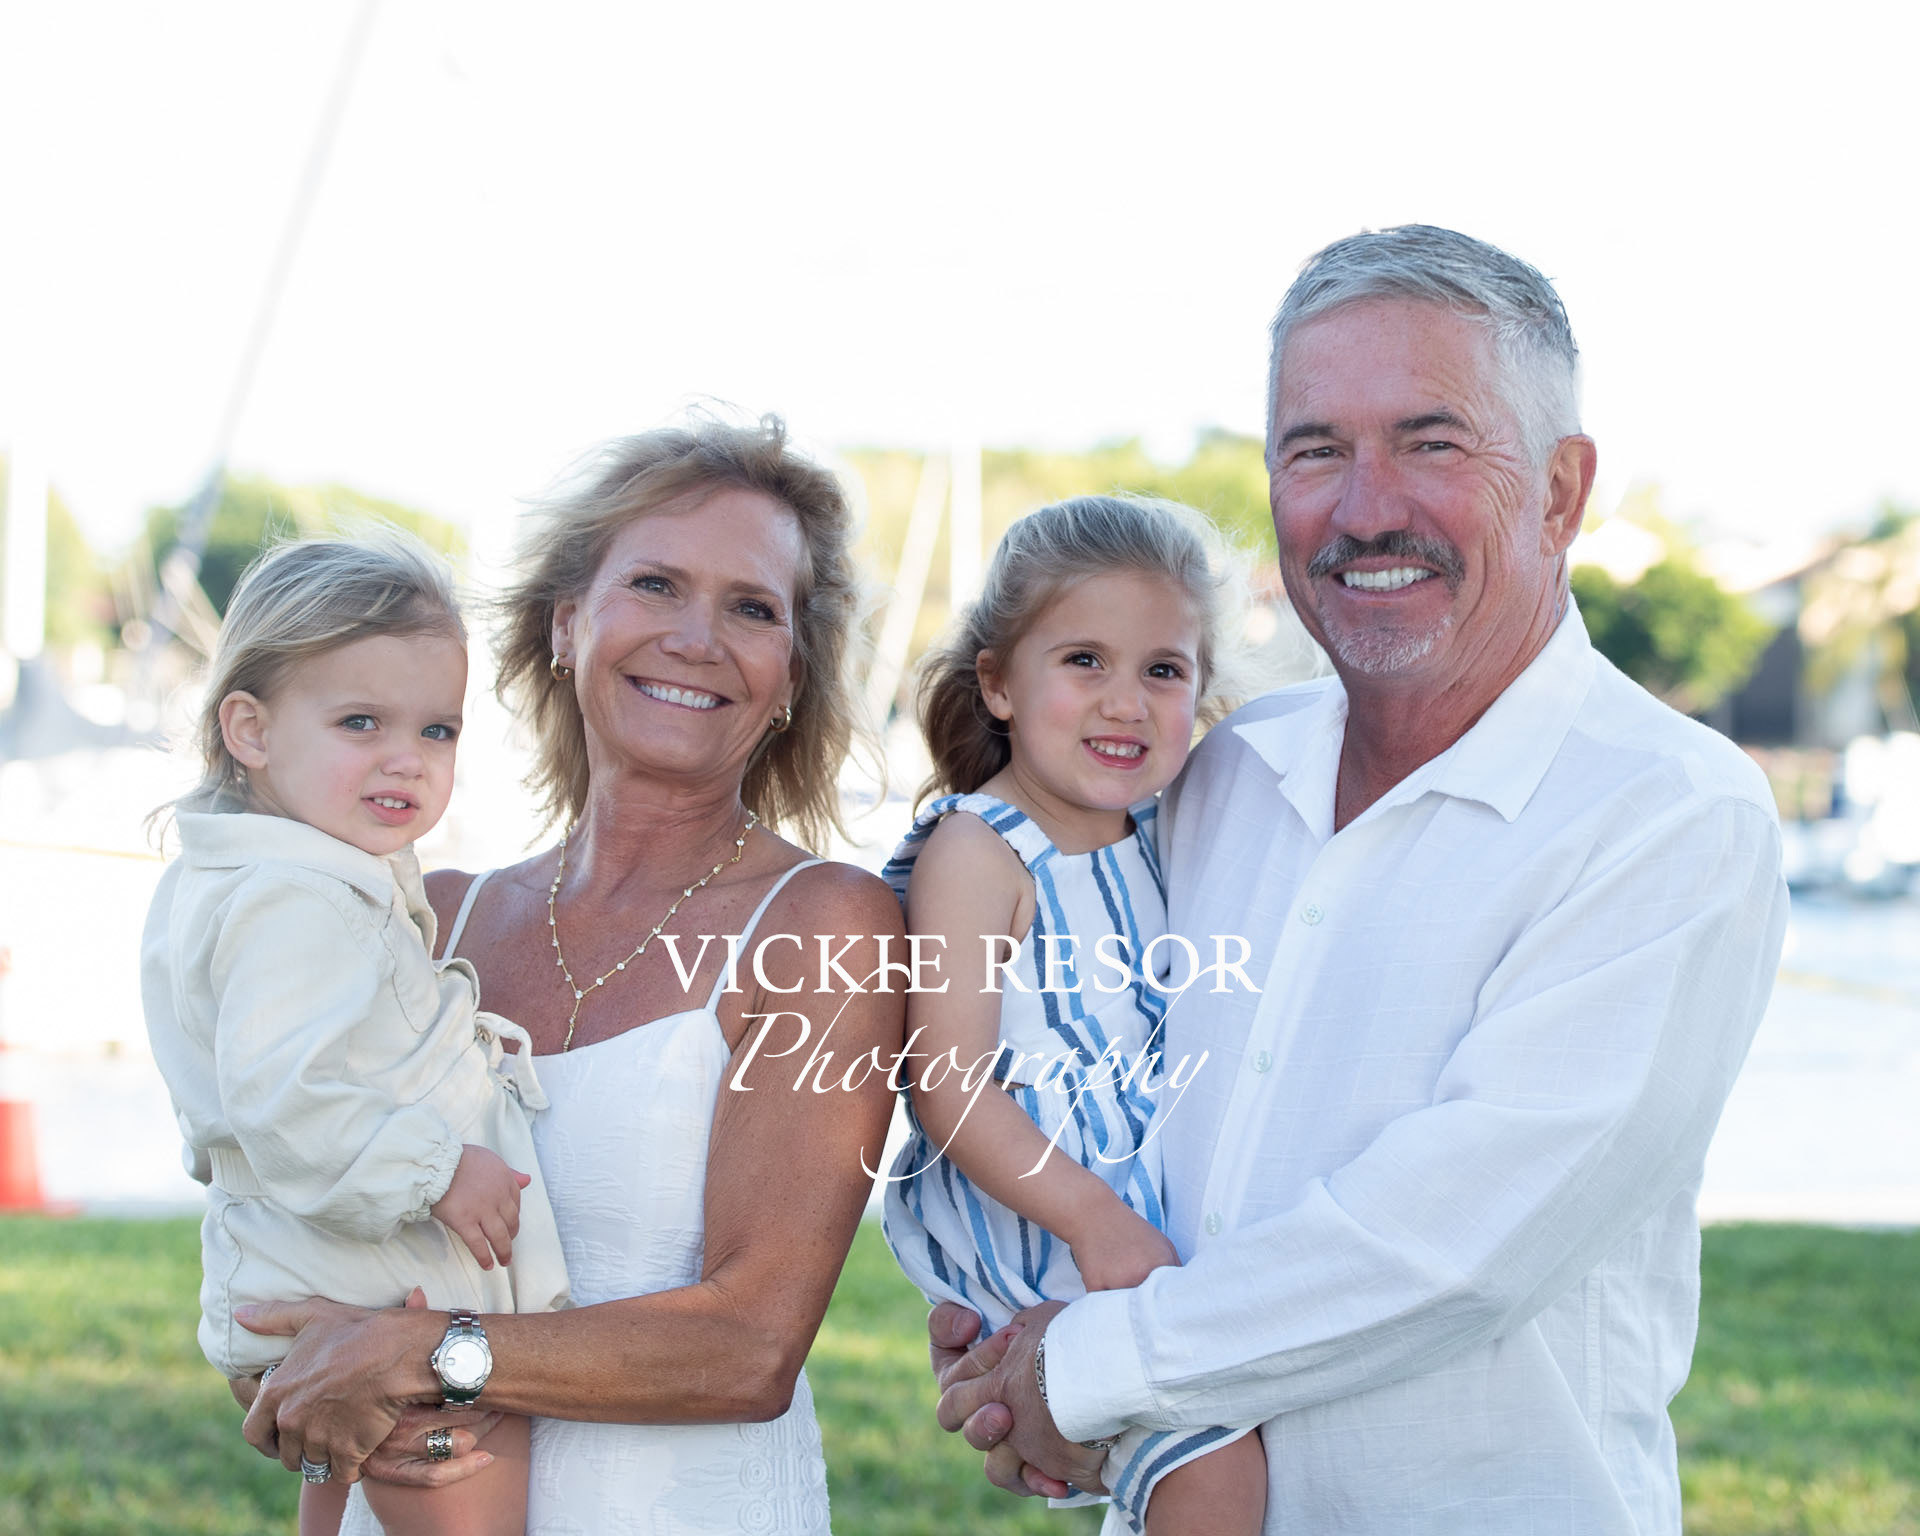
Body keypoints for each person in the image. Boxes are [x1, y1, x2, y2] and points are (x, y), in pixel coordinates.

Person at [933, 225, 1791, 1534]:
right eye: (1315, 450)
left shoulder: (1667, 814)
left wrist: (1084, 1369)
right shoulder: (1213, 776)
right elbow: (1066, 1049)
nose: (1365, 509)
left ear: (1561, 492)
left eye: (1431, 443)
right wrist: (1009, 1320)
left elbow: (1450, 1246)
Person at [232, 416, 905, 1535]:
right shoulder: (430, 916)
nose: (696, 637)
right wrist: (308, 1399)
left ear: (791, 674)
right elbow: (323, 1284)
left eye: (752, 608)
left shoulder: (822, 924)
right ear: (565, 622)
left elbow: (750, 1347)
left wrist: (428, 1354)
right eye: (655, 584)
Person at [140, 533, 570, 1536]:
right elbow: (283, 1099)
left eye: (437, 729)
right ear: (249, 729)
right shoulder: (297, 899)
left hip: (324, 1272)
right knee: (470, 1497)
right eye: (360, 721)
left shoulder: (258, 874)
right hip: (371, 1287)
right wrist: (438, 1169)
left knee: (346, 1503)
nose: (405, 758)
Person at [881, 495, 1266, 1534]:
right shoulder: (981, 850)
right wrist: (1095, 1220)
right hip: (1056, 1225)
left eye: (1164, 670)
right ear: (999, 682)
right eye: (1084, 660)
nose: (1126, 702)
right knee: (1215, 1477)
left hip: (1149, 1226)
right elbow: (947, 1088)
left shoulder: (1165, 831)